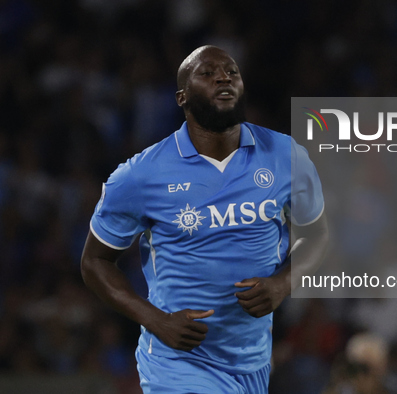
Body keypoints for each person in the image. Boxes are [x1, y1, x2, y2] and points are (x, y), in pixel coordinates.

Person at [80, 45, 328, 393]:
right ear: (182, 97)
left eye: (231, 72)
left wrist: (284, 283)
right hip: (177, 364)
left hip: (252, 362)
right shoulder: (141, 175)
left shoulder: (286, 156)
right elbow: (95, 261)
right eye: (207, 73)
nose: (223, 77)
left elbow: (316, 233)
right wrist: (157, 321)